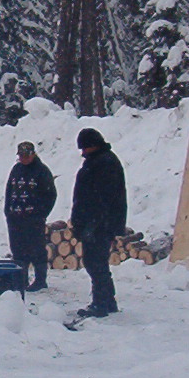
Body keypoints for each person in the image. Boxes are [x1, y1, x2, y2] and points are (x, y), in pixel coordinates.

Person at [70, 127, 127, 318]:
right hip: (96, 222)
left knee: (96, 263)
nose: (83, 153)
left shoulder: (104, 164)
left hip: (99, 224)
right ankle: (106, 301)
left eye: (85, 148)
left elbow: (103, 198)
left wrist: (93, 223)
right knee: (96, 263)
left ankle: (101, 303)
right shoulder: (100, 161)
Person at [3, 141, 56, 291]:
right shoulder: (16, 170)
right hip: (15, 218)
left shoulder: (42, 171)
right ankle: (21, 279)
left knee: (37, 250)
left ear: (33, 154)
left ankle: (40, 280)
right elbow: (9, 191)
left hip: (33, 219)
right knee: (18, 251)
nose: (23, 159)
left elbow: (51, 195)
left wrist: (40, 214)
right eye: (21, 156)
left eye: (26, 156)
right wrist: (8, 211)